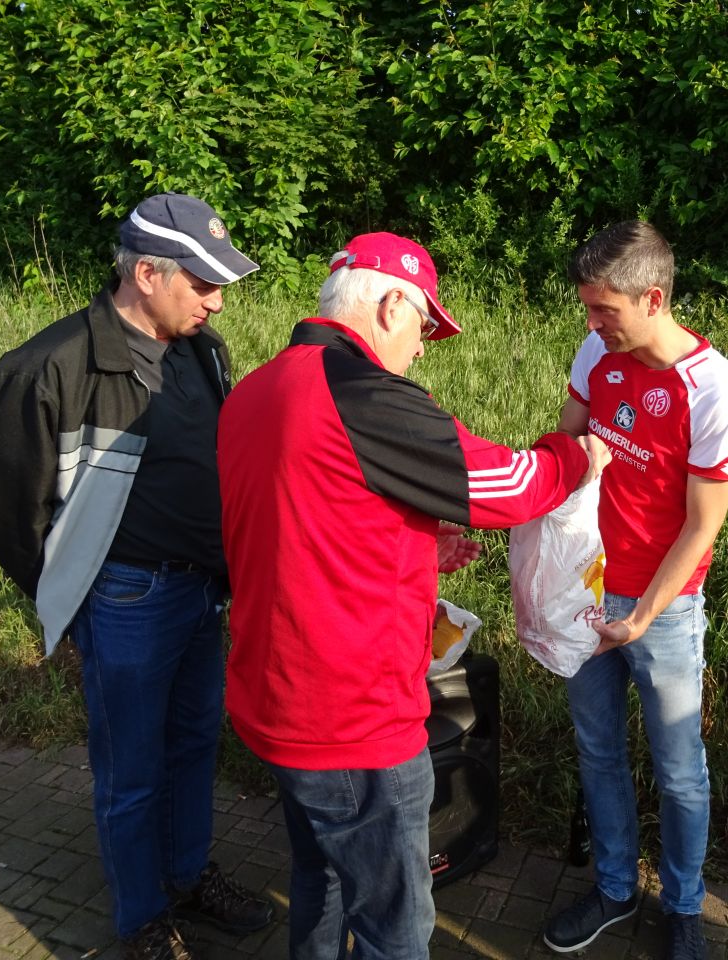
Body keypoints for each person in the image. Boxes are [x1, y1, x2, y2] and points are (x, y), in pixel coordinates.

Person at [216, 231, 608, 960]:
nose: (423, 347)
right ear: (392, 303)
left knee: (323, 885)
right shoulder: (363, 394)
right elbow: (508, 486)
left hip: (275, 699)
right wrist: (574, 456)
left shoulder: (255, 391)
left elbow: (299, 521)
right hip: (352, 723)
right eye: (425, 325)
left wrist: (416, 549)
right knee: (397, 928)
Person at [0, 193, 273, 960]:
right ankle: (141, 919)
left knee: (194, 744)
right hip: (126, 600)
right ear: (145, 273)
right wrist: (67, 599)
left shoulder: (204, 350)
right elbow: (8, 508)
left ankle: (186, 875)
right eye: (201, 284)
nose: (216, 299)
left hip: (204, 590)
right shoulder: (47, 368)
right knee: (132, 769)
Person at [543, 222, 728, 960]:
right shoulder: (598, 351)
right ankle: (613, 888)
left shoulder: (713, 388)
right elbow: (562, 445)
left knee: (679, 768)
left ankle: (686, 905)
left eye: (604, 311)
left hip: (661, 610)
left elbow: (700, 529)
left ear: (653, 298)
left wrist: (643, 618)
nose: (592, 325)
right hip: (587, 590)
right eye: (588, 311)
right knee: (598, 750)